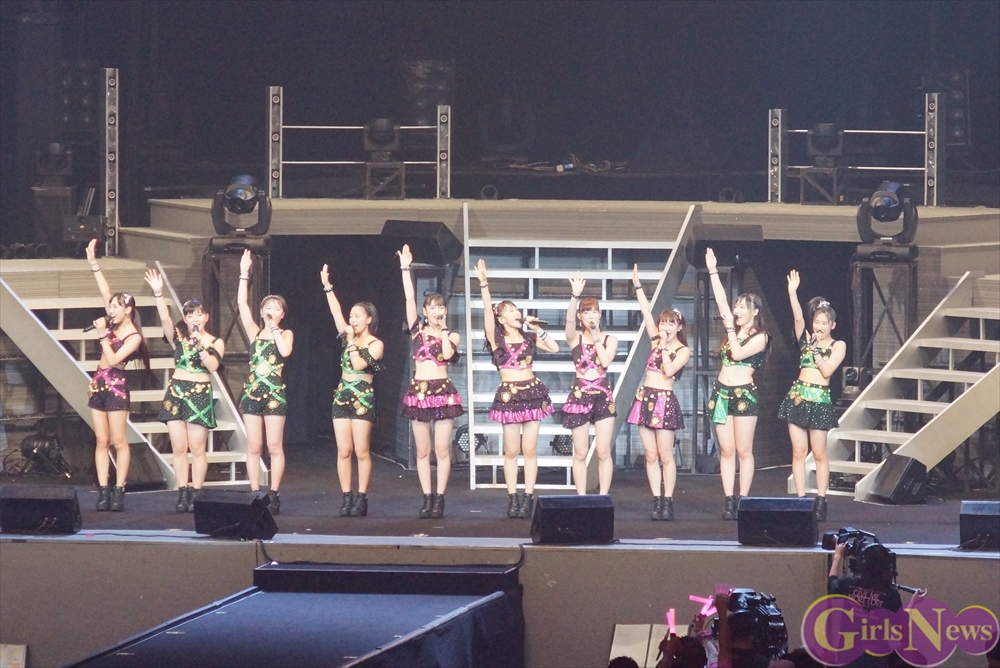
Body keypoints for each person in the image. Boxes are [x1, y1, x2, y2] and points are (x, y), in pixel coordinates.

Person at [475, 258, 559, 519]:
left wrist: (537, 329)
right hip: (509, 395)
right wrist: (484, 284)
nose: (516, 313)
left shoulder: (529, 337)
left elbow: (555, 348)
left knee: (529, 449)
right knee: (511, 450)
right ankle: (512, 497)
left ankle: (529, 497)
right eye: (510, 310)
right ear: (501, 318)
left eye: (516, 309)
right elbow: (487, 311)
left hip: (532, 392)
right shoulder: (496, 338)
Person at [145, 270, 225, 512]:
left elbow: (212, 366)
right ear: (185, 318)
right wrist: (158, 293)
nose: (194, 318)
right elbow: (165, 320)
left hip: (199, 393)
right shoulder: (178, 338)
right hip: (177, 392)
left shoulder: (215, 342)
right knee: (179, 447)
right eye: (190, 315)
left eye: (198, 314)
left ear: (206, 317)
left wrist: (200, 345)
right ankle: (182, 491)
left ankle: (197, 492)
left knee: (197, 448)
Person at [85, 239, 150, 512]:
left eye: (115, 307)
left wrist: (102, 335)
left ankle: (120, 489)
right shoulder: (111, 323)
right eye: (110, 306)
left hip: (116, 386)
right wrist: (93, 263)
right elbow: (105, 290)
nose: (110, 310)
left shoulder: (133, 336)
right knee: (101, 440)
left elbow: (113, 360)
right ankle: (103, 490)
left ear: (128, 310)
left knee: (119, 441)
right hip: (98, 383)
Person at [399, 245, 463, 519]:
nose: (437, 310)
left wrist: (444, 329)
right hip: (420, 391)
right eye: (432, 307)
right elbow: (408, 296)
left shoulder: (452, 334)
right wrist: (406, 268)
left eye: (441, 307)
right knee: (422, 450)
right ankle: (426, 497)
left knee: (442, 448)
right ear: (425, 311)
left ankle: (440, 497)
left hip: (443, 391)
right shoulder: (416, 330)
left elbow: (447, 355)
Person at [705, 249, 769, 521]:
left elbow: (739, 353)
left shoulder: (761, 337)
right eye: (737, 306)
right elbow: (720, 300)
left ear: (755, 312)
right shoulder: (732, 326)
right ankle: (728, 499)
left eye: (743, 307)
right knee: (727, 450)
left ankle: (744, 499)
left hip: (744, 396)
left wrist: (731, 329)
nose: (737, 310)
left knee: (743, 450)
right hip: (721, 393)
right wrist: (712, 271)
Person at [778, 271, 846, 521]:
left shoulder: (838, 345)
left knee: (819, 453)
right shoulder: (806, 339)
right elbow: (797, 317)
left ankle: (820, 500)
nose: (819, 326)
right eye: (816, 322)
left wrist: (816, 351)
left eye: (824, 323)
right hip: (798, 397)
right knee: (798, 452)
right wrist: (792, 293)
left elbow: (827, 371)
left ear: (832, 326)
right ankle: (800, 500)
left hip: (819, 400)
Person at [321, 263, 384, 518]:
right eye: (351, 316)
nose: (352, 320)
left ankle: (361, 497)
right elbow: (335, 311)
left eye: (357, 316)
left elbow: (358, 364)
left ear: (369, 319)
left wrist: (350, 341)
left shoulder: (375, 344)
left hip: (362, 396)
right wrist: (327, 287)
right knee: (343, 449)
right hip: (342, 395)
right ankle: (346, 496)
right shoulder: (348, 337)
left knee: (361, 450)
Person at [628, 264, 690, 520]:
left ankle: (668, 500)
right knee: (651, 455)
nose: (664, 326)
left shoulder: (683, 351)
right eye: (662, 323)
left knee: (666, 454)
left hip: (665, 400)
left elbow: (669, 370)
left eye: (670, 323)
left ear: (679, 327)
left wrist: (664, 346)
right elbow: (646, 312)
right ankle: (656, 499)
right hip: (645, 399)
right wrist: (638, 286)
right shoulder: (655, 340)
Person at [237, 249, 293, 514]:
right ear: (261, 312)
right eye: (268, 307)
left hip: (274, 395)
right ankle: (255, 492)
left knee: (274, 446)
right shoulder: (254, 332)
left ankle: (274, 493)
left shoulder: (285, 333)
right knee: (253, 445)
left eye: (276, 308)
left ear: (282, 314)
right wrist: (243, 273)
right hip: (252, 393)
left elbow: (285, 352)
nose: (272, 310)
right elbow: (241, 304)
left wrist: (274, 329)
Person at [562, 272, 619, 496]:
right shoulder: (574, 338)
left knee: (603, 451)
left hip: (603, 395)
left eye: (594, 311)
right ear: (580, 316)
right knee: (581, 451)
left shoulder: (610, 339)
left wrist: (596, 336)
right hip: (580, 395)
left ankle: (603, 497)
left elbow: (605, 361)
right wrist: (574, 296)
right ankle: (581, 497)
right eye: (586, 312)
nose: (590, 315)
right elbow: (568, 323)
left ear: (600, 314)